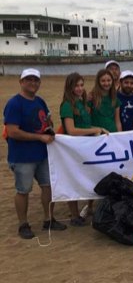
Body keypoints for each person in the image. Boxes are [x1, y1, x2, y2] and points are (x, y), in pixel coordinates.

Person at [4, 68, 67, 239]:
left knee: (48, 186)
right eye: (29, 80)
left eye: (36, 80)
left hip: (42, 154)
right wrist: (39, 137)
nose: (33, 83)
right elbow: (12, 132)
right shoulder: (14, 104)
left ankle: (49, 219)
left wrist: (48, 129)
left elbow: (47, 120)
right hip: (22, 156)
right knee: (23, 190)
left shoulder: (40, 101)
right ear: (21, 81)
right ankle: (23, 224)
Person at [60, 73, 107, 226]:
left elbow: (85, 126)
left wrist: (99, 128)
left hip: (85, 147)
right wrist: (93, 131)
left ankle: (86, 209)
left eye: (81, 85)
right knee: (72, 180)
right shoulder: (67, 105)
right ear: (70, 87)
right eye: (76, 86)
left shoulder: (81, 102)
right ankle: (74, 215)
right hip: (73, 148)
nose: (80, 88)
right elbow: (71, 130)